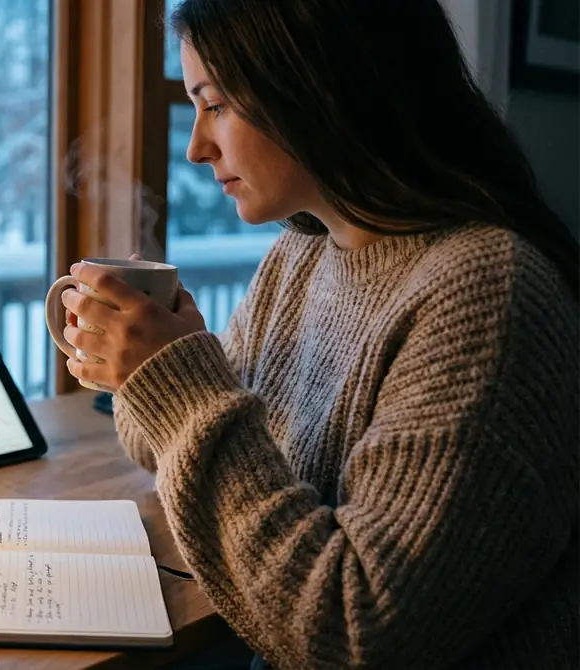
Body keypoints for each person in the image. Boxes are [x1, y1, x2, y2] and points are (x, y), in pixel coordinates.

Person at [57, 1, 579, 668]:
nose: (195, 146)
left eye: (214, 104)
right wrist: (153, 366)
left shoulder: (485, 296)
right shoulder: (301, 256)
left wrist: (179, 384)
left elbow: (351, 629)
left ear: (315, 86)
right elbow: (189, 451)